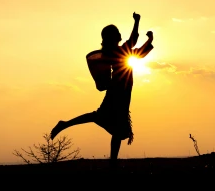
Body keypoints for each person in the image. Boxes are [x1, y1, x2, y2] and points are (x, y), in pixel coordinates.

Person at [50, 12, 154, 164]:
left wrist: (148, 39)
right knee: (103, 119)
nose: (120, 34)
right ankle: (65, 124)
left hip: (122, 92)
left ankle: (112, 160)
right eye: (117, 33)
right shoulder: (116, 52)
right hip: (118, 92)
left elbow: (136, 50)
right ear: (112, 37)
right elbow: (134, 42)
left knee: (113, 127)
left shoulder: (116, 52)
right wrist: (138, 22)